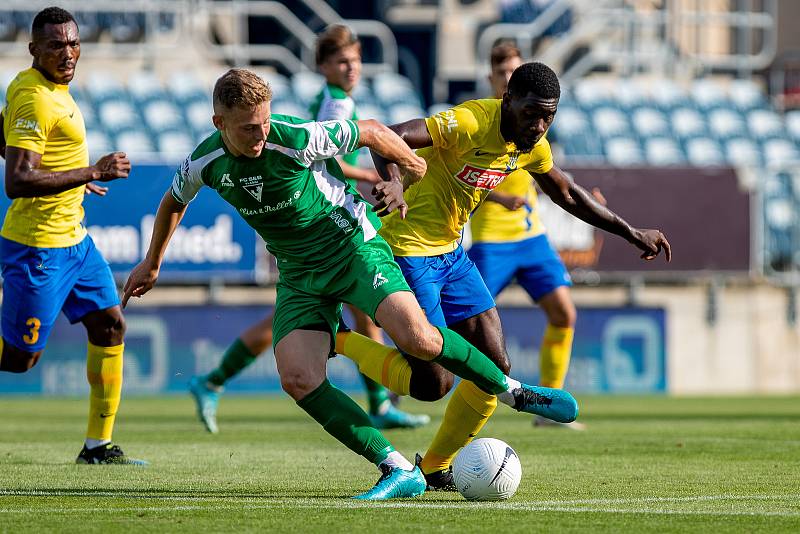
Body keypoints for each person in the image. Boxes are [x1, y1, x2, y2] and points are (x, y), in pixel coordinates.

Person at [123, 68, 578, 499]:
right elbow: (172, 200)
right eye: (247, 129)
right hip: (300, 274)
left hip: (352, 247)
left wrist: (406, 172)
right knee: (298, 378)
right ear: (218, 123)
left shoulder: (297, 137)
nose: (260, 136)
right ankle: (397, 467)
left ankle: (514, 391)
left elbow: (375, 131)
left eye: (264, 123)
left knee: (419, 340)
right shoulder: (205, 160)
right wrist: (152, 262)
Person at [366, 61, 670, 490]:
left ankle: (434, 467)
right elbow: (385, 137)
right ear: (508, 100)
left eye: (549, 116)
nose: (539, 125)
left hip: (451, 255)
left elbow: (567, 193)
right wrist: (395, 180)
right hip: (407, 250)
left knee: (495, 367)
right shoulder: (472, 120)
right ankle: (340, 339)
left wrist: (630, 230)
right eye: (531, 113)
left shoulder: (531, 145)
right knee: (434, 382)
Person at [188, 25, 428, 434]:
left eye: (355, 60)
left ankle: (214, 380)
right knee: (336, 319)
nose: (351, 68)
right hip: (317, 217)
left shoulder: (336, 99)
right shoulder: (336, 105)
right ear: (324, 66)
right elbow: (324, 159)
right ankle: (215, 380)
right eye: (341, 62)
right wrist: (375, 175)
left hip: (311, 216)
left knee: (324, 320)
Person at [0, 7, 145, 465]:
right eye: (56, 45)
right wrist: (92, 170)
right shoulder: (36, 98)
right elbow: (17, 181)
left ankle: (97, 446)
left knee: (110, 323)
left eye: (74, 43)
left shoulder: (40, 88)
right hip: (38, 248)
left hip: (75, 243)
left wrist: (72, 177)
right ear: (34, 49)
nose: (68, 53)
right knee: (22, 360)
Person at [469, 42, 586, 429]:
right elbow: (459, 177)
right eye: (502, 72)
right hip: (491, 241)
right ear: (494, 80)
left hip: (531, 237)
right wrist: (498, 196)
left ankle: (549, 408)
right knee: (465, 327)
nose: (508, 77)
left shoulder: (531, 122)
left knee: (564, 312)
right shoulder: (481, 121)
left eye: (514, 70)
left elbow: (546, 173)